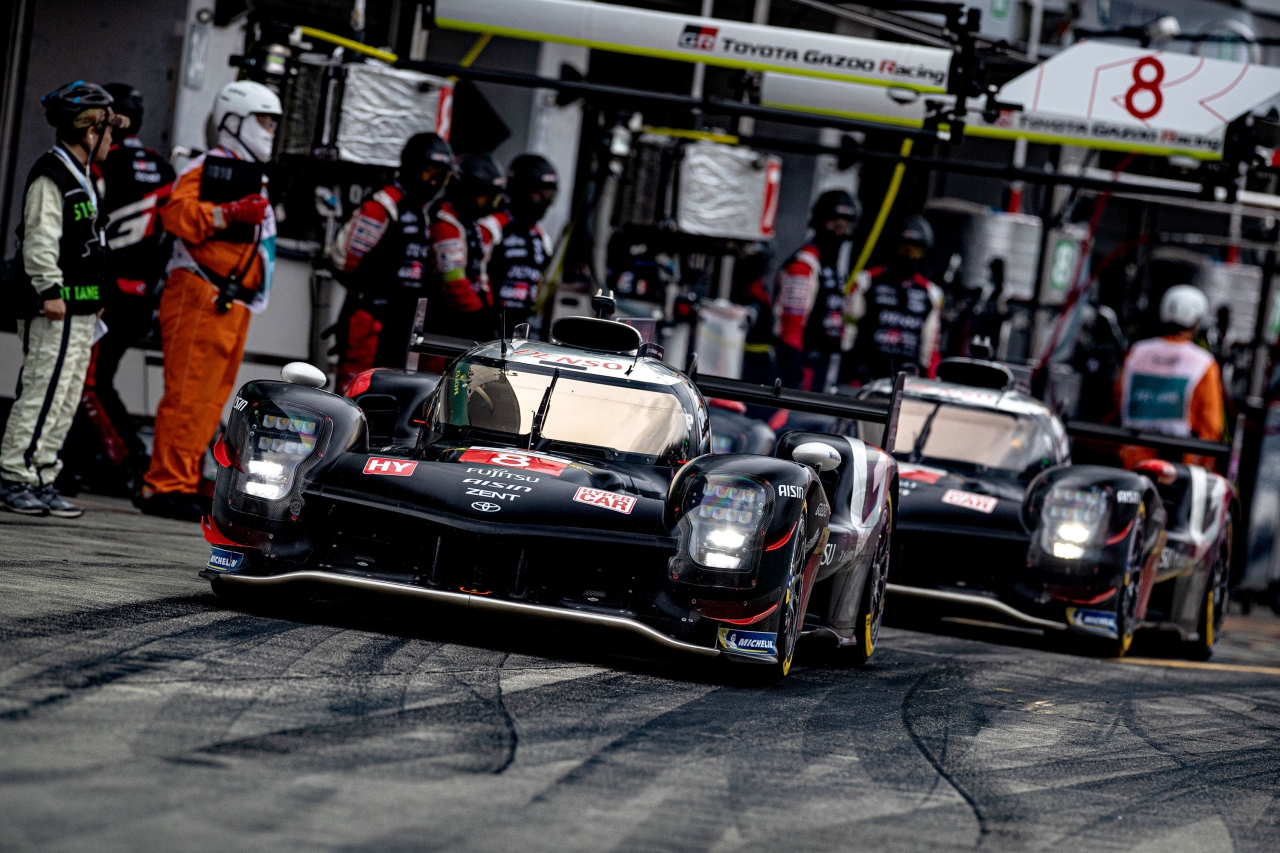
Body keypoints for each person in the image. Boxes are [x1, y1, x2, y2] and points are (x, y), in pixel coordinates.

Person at [138, 80, 281, 521]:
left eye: (273, 122)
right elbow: (176, 215)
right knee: (187, 395)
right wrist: (229, 213)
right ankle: (163, 484)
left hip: (229, 300)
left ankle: (182, 481)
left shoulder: (248, 173)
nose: (270, 130)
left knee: (208, 400)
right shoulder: (206, 166)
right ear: (233, 120)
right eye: (264, 120)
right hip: (201, 292)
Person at [1, 81, 127, 517]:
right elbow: (40, 239)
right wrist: (49, 290)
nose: (111, 140)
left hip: (81, 308)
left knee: (65, 395)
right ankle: (15, 475)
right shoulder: (50, 175)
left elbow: (92, 244)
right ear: (89, 132)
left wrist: (97, 295)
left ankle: (42, 474)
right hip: (55, 308)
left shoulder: (85, 178)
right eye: (108, 130)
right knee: (42, 390)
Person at [58, 83, 175, 495]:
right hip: (142, 295)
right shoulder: (163, 169)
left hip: (104, 292)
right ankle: (92, 460)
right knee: (95, 378)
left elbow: (84, 228)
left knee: (86, 381)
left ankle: (126, 458)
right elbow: (169, 240)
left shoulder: (102, 163)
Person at [329, 132, 454, 390]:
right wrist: (371, 291)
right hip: (371, 319)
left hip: (405, 322)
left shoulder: (425, 212)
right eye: (428, 172)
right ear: (411, 166)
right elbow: (343, 261)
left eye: (440, 176)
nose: (433, 182)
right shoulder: (383, 205)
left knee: (394, 394)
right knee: (357, 390)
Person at [1116, 285, 1223, 468]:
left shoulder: (1137, 352)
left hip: (1131, 459)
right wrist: (1204, 465)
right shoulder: (1204, 363)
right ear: (1197, 320)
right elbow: (1211, 425)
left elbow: (1120, 397)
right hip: (1178, 467)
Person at [773, 190, 861, 391]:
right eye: (833, 223)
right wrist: (793, 370)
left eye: (844, 226)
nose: (838, 232)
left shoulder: (835, 266)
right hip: (800, 363)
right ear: (819, 221)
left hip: (824, 362)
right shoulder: (804, 265)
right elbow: (790, 328)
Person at [846, 214, 944, 384]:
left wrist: (930, 380)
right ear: (893, 247)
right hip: (865, 374)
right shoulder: (866, 281)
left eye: (914, 251)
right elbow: (848, 329)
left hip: (908, 378)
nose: (908, 256)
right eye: (904, 249)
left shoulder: (931, 293)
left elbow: (930, 347)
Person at [424, 152, 506, 341]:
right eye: (484, 198)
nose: (488, 206)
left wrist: (490, 313)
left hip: (465, 320)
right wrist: (479, 318)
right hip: (440, 322)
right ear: (465, 191)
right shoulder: (443, 222)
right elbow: (453, 282)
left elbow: (480, 274)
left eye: (493, 199)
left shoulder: (472, 224)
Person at [488, 154, 557, 336]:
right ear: (519, 190)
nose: (544, 201)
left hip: (523, 328)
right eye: (538, 194)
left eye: (548, 195)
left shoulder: (542, 238)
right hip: (487, 323)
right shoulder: (492, 226)